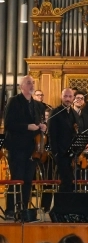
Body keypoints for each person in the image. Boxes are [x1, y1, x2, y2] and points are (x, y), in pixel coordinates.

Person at [3, 75, 47, 218]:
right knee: (17, 178)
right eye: (28, 83)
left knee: (28, 180)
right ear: (21, 86)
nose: (32, 85)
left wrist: (43, 127)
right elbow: (9, 124)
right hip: (17, 147)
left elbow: (39, 123)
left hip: (32, 148)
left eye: (33, 83)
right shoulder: (14, 101)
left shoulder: (37, 105)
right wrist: (27, 126)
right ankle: (11, 210)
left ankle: (24, 208)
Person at [48, 88, 81, 193]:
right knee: (66, 180)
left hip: (72, 153)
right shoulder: (55, 112)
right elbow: (52, 134)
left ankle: (70, 204)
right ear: (61, 97)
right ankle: (63, 205)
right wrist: (56, 153)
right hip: (61, 152)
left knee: (71, 180)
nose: (67, 99)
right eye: (65, 96)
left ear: (73, 98)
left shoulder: (74, 113)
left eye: (70, 97)